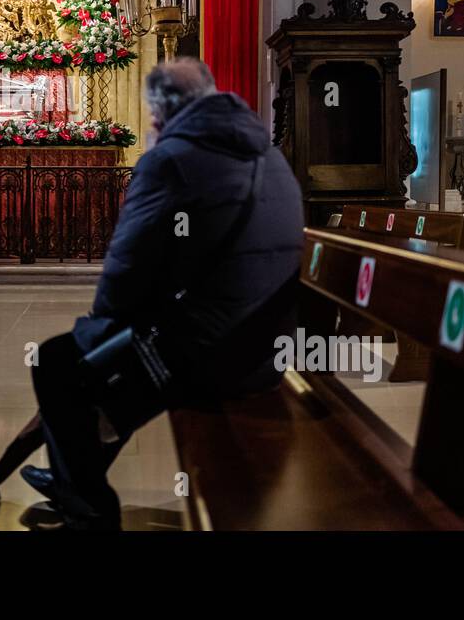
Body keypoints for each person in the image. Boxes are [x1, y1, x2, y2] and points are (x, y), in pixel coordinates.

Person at [24, 58, 304, 530]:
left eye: (152, 116)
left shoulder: (171, 158)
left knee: (58, 362)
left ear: (162, 112)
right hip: (270, 345)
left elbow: (125, 272)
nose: (151, 125)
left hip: (217, 355)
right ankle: (73, 474)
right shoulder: (268, 153)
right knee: (128, 360)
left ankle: (88, 504)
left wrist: (102, 331)